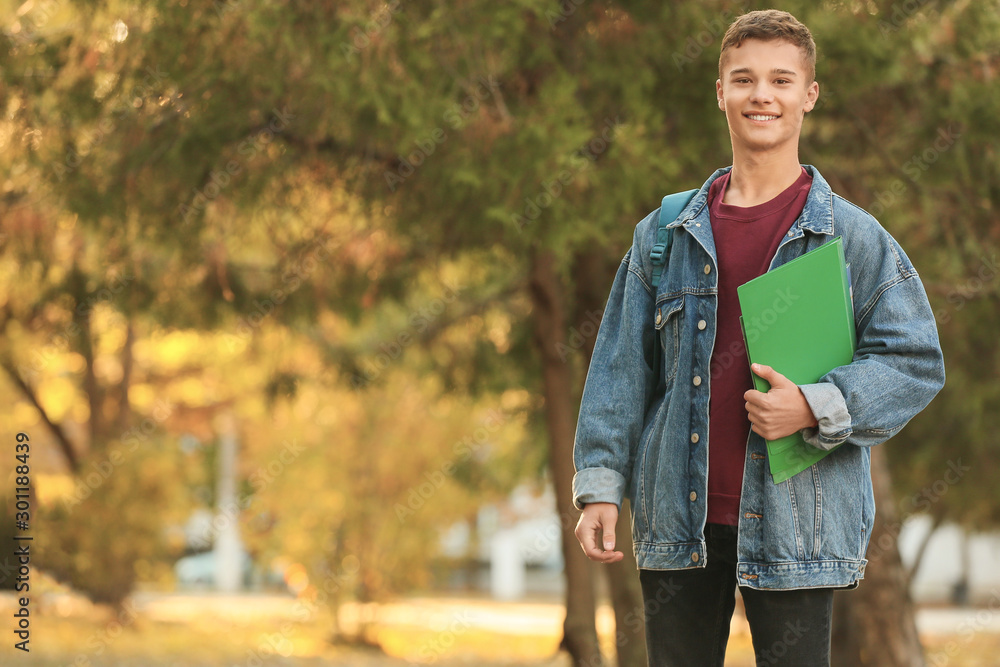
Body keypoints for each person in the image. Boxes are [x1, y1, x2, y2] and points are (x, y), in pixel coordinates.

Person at [571, 9, 945, 667]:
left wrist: (815, 404)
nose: (761, 95)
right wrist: (601, 484)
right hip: (677, 521)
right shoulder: (664, 234)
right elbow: (619, 367)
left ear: (809, 94)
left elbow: (915, 359)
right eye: (743, 80)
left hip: (800, 525)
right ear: (720, 92)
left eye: (780, 80)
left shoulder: (851, 238)